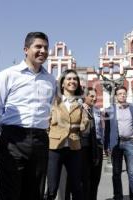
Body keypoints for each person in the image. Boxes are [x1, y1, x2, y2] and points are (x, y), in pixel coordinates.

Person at [0, 32, 56, 200]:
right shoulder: (8, 74)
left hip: (40, 141)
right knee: (10, 192)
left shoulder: (50, 79)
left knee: (35, 192)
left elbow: (48, 109)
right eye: (38, 46)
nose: (43, 51)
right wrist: (8, 133)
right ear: (26, 49)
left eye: (46, 48)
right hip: (13, 138)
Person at [45, 69, 85, 200]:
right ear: (62, 83)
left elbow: (85, 127)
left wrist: (84, 120)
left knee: (77, 187)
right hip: (55, 147)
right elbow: (46, 123)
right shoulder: (54, 101)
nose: (72, 81)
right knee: (52, 187)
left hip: (74, 147)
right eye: (69, 79)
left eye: (75, 79)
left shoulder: (80, 104)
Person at [104, 85, 133, 200]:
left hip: (130, 143)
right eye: (120, 94)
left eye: (124, 93)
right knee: (116, 173)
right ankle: (118, 196)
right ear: (116, 96)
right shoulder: (110, 110)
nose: (122, 95)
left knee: (132, 172)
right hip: (116, 144)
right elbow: (107, 130)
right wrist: (106, 146)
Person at [65, 87, 102, 200]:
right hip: (83, 146)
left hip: (97, 146)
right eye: (91, 96)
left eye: (95, 96)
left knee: (95, 178)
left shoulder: (97, 111)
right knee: (83, 178)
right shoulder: (79, 108)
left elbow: (100, 129)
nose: (94, 98)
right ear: (84, 97)